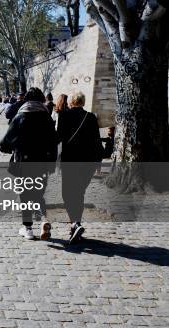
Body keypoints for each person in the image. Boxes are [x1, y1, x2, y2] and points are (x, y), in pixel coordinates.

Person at [0, 87, 57, 241]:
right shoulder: (47, 118)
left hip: (23, 162)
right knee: (38, 194)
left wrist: (8, 148)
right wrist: (52, 163)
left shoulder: (20, 117)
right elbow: (53, 142)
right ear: (41, 100)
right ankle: (44, 219)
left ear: (26, 100)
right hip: (43, 162)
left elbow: (5, 141)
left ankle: (28, 228)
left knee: (25, 196)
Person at [57, 91, 103, 244]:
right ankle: (76, 224)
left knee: (67, 194)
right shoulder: (90, 117)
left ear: (71, 102)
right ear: (83, 102)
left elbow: (58, 138)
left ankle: (75, 223)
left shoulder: (64, 116)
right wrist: (98, 162)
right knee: (79, 193)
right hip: (88, 163)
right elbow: (97, 141)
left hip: (70, 162)